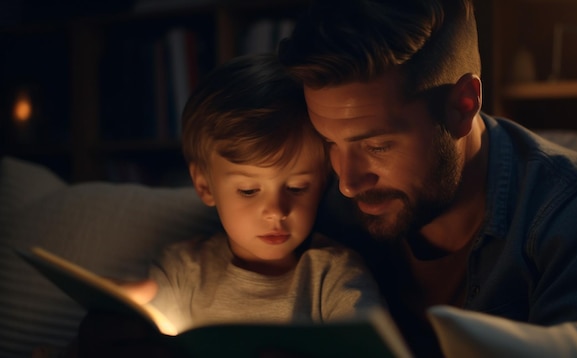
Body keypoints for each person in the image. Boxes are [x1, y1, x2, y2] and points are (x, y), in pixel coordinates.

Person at [277, 0, 577, 356]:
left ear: (464, 105)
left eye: (378, 146)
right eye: (328, 142)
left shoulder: (576, 209)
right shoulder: (317, 203)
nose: (347, 182)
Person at [69, 53, 383, 357]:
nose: (275, 210)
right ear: (205, 186)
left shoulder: (333, 276)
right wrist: (111, 304)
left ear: (324, 182)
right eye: (248, 190)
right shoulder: (183, 271)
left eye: (298, 187)